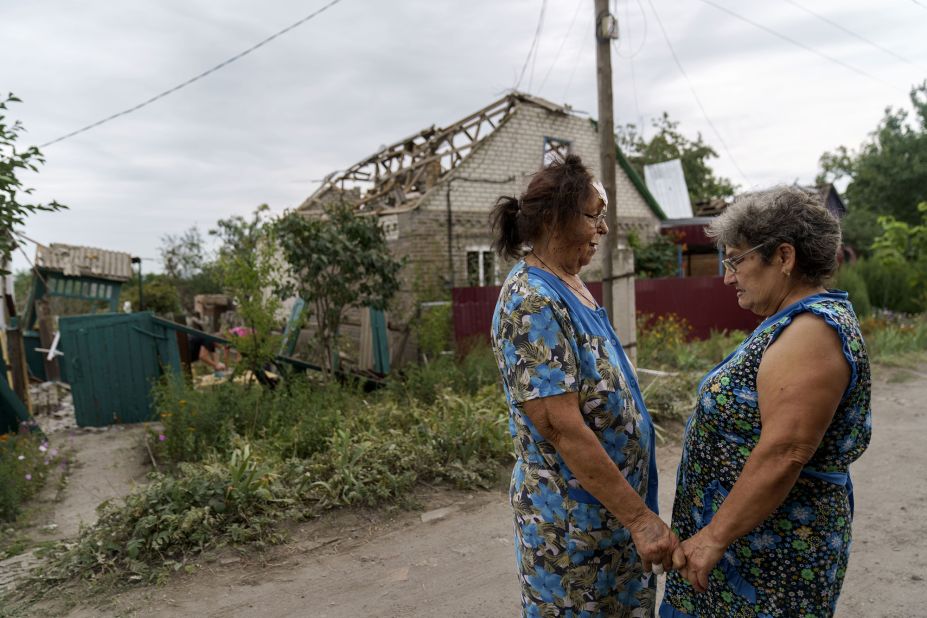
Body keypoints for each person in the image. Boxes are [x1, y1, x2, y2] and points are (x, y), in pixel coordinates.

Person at [660, 187, 872, 617]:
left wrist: (714, 536)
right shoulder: (793, 321)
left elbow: (786, 451)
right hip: (747, 551)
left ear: (784, 258)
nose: (727, 276)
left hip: (770, 558)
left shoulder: (814, 330)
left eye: (736, 260)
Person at [490, 155, 677, 617]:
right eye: (594, 214)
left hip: (607, 519)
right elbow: (560, 427)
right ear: (555, 218)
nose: (605, 228)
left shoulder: (569, 283)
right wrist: (640, 520)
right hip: (571, 527)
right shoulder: (530, 301)